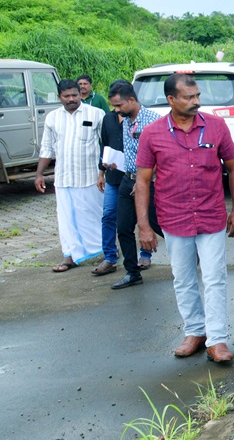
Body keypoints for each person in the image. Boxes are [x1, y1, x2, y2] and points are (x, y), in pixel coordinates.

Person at [135, 73, 234, 362]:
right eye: (189, 97)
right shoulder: (152, 133)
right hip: (174, 217)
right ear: (171, 100)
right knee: (183, 279)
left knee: (215, 277)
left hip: (211, 215)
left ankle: (217, 340)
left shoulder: (216, 126)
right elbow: (142, 181)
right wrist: (144, 225)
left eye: (197, 96)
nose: (196, 102)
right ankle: (195, 331)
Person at [35, 79, 106, 272]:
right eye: (66, 96)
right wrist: (39, 174)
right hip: (64, 178)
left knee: (95, 216)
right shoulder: (52, 117)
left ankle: (107, 252)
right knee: (66, 219)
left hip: (90, 177)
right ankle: (70, 256)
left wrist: (103, 171)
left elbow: (106, 144)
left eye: (75, 95)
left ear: (79, 94)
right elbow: (47, 147)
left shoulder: (96, 114)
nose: (71, 99)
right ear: (60, 97)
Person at [106, 81, 162, 289]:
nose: (116, 110)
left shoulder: (153, 121)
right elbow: (131, 153)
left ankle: (189, 256)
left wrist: (143, 181)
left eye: (119, 105)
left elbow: (161, 156)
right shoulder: (126, 121)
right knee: (123, 227)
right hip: (127, 179)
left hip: (148, 182)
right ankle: (132, 272)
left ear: (131, 100)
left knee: (159, 224)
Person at [93, 81, 128, 277]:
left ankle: (145, 254)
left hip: (133, 178)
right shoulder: (108, 119)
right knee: (108, 216)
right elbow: (104, 146)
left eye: (119, 104)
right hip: (113, 178)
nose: (117, 109)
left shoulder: (137, 119)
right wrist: (101, 173)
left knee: (137, 217)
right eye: (114, 105)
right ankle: (109, 256)